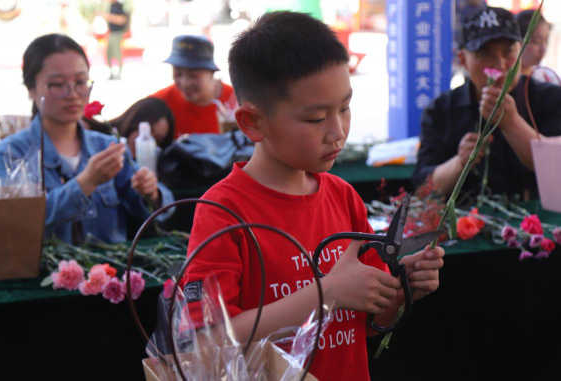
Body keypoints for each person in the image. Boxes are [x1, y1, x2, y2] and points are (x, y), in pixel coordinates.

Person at [180, 12, 444, 380]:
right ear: (253, 123)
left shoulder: (342, 196)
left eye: (345, 108)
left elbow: (368, 323)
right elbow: (205, 343)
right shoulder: (224, 211)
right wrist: (326, 292)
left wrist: (401, 291)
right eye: (316, 119)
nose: (337, 132)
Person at [0, 34, 174, 244]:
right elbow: (11, 224)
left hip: (112, 273)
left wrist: (151, 193)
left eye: (81, 82)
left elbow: (154, 212)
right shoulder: (9, 156)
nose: (73, 93)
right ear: (31, 89)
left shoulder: (106, 147)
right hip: (41, 277)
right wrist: (85, 183)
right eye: (58, 84)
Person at [414, 7, 561, 200]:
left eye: (508, 51)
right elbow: (422, 188)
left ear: (520, 51)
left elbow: (556, 169)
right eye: (485, 54)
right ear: (463, 60)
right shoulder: (441, 109)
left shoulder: (550, 98)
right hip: (463, 224)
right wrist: (460, 162)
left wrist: (512, 123)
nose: (500, 64)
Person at [150, 35, 235, 138]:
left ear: (211, 73)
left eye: (193, 76)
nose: (185, 83)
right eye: (178, 74)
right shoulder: (160, 103)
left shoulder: (234, 102)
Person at [84, 97, 175, 159]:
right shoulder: (89, 133)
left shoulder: (139, 172)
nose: (147, 139)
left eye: (157, 140)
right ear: (135, 118)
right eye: (147, 130)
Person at [515, 9, 561, 85]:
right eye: (536, 42)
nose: (543, 48)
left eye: (546, 40)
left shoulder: (549, 78)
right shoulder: (505, 82)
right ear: (518, 43)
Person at [100, 0, 128, 80]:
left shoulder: (118, 5)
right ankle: (111, 72)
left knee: (117, 53)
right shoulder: (111, 6)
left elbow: (121, 20)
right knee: (109, 53)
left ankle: (119, 72)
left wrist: (107, 16)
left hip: (117, 33)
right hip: (111, 33)